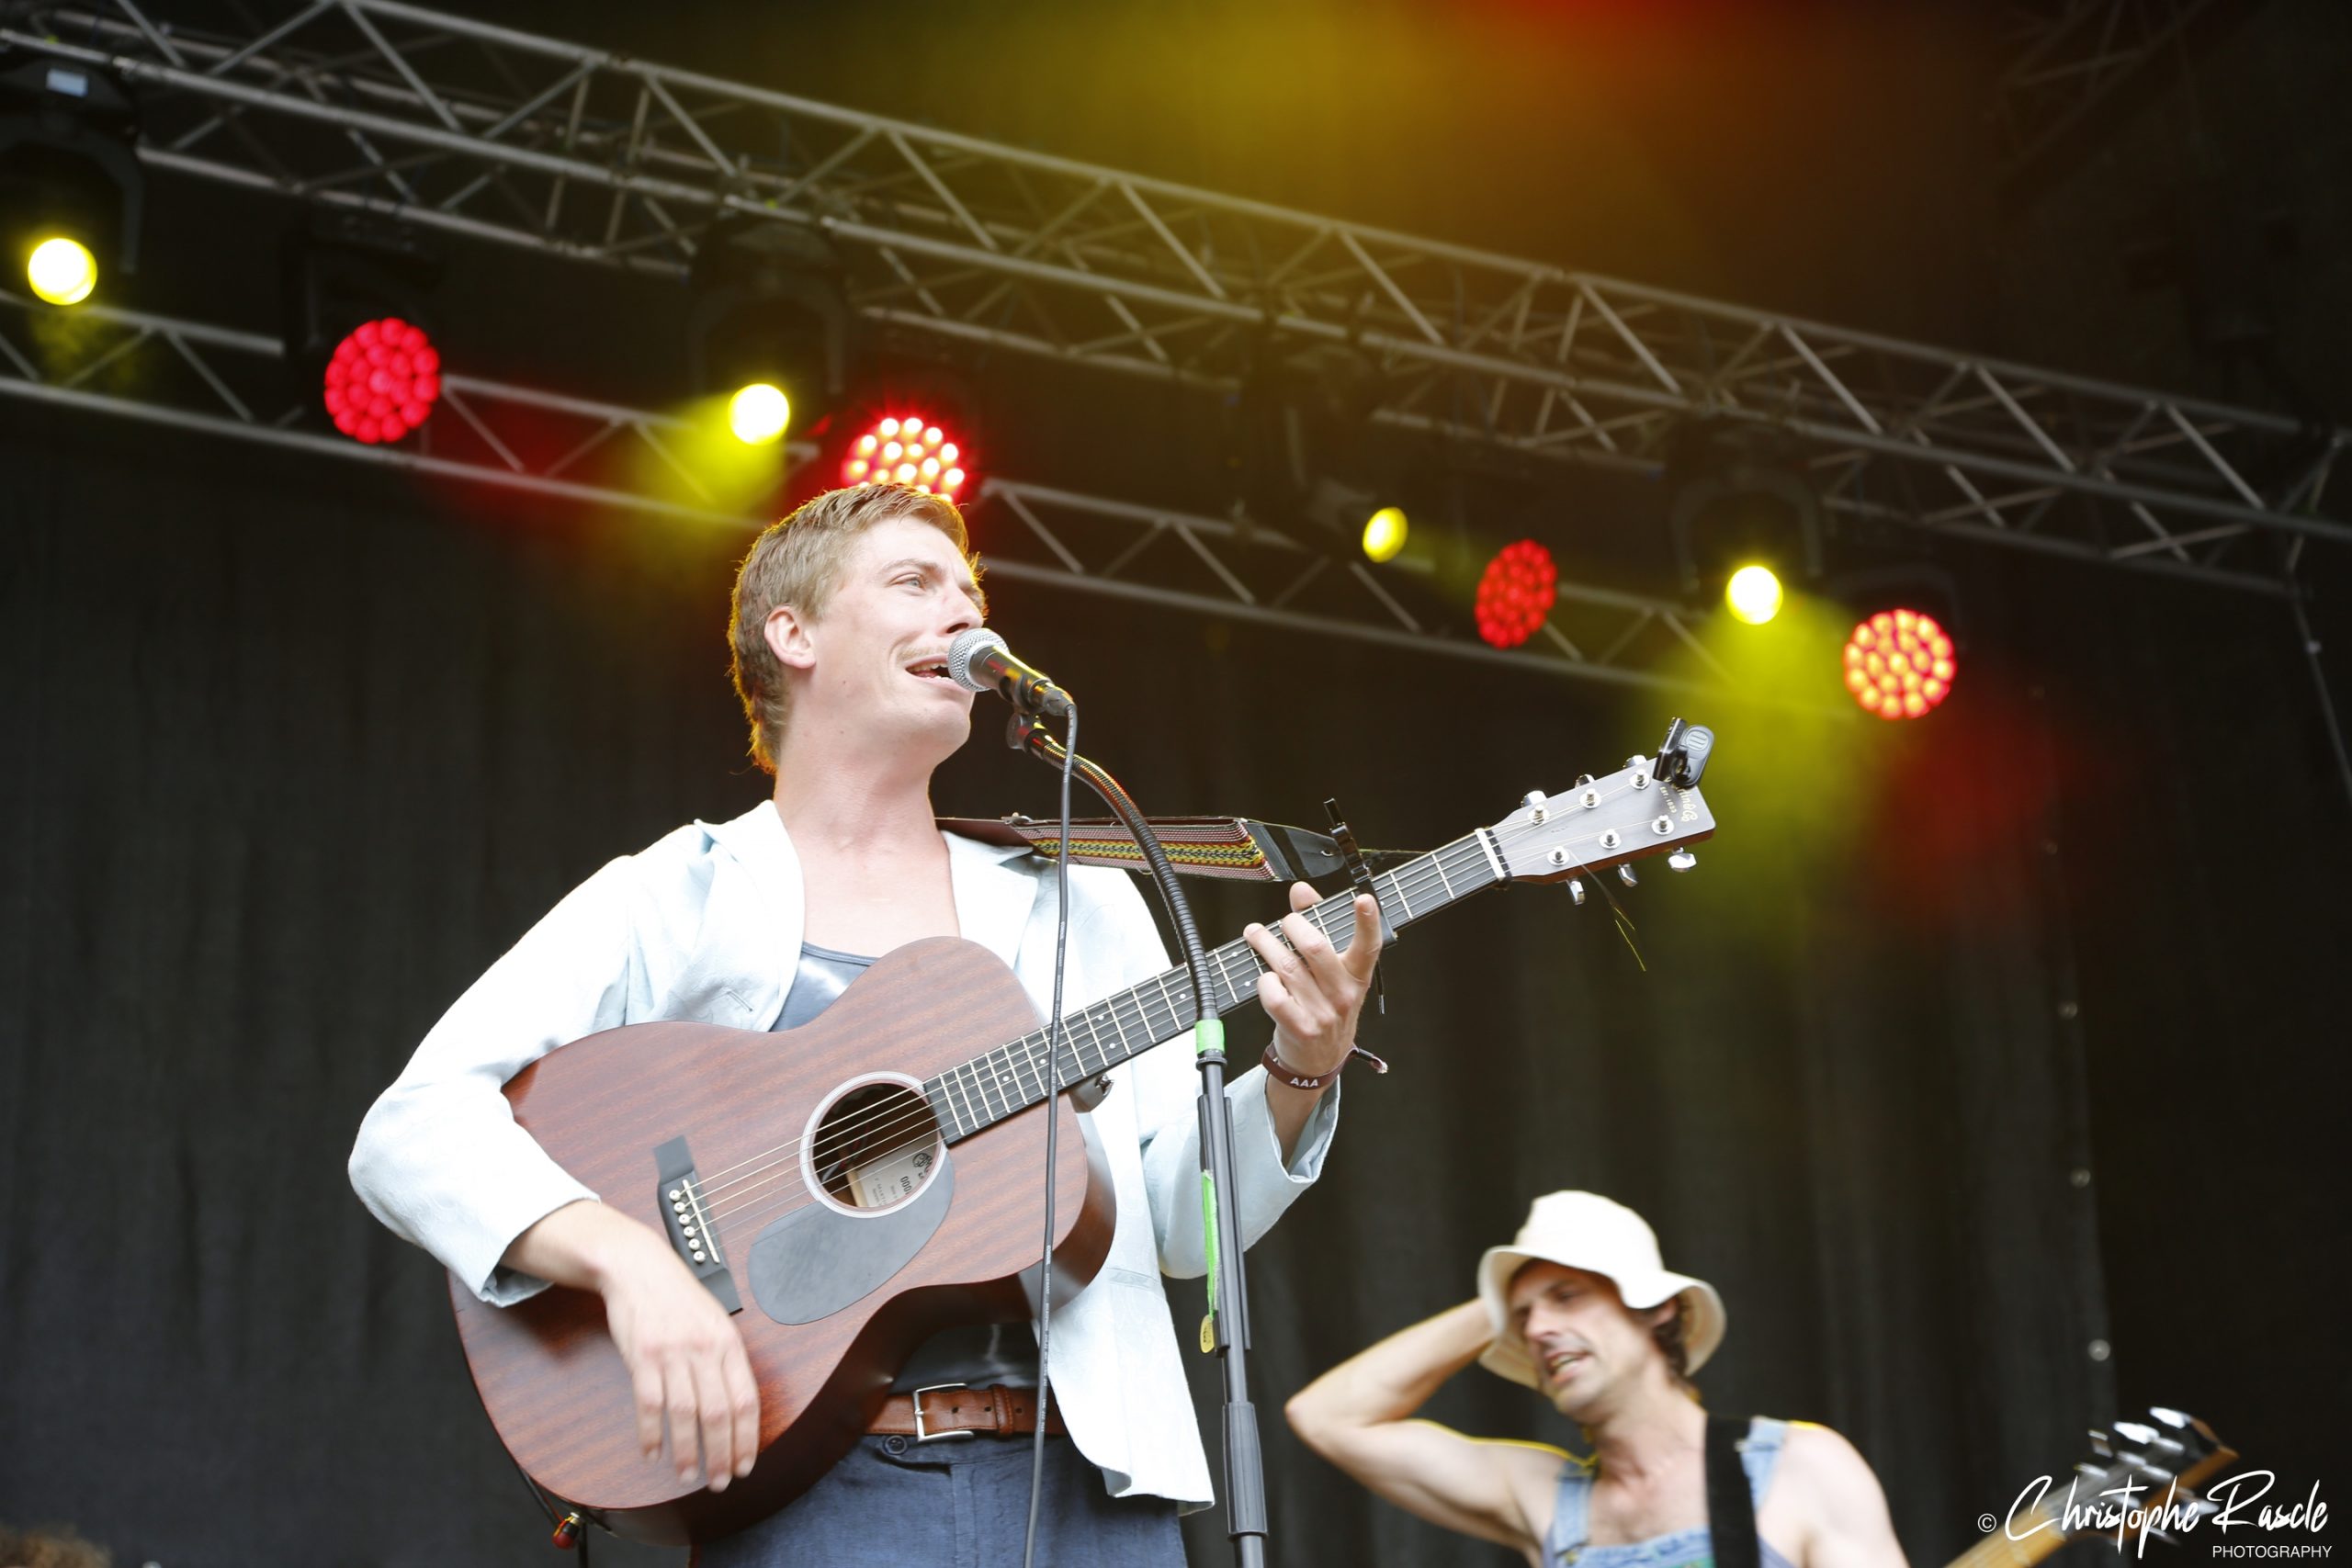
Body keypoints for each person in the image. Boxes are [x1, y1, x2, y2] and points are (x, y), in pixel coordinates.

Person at [348, 482, 1384, 1563]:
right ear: (791, 635)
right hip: (808, 1495)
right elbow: (412, 1129)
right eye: (913, 583)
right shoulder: (679, 892)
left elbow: (1175, 1227)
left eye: (971, 595)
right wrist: (626, 1261)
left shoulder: (1082, 895)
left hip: (1089, 1492)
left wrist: (1299, 1069)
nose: (964, 614)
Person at [1285, 1191, 1907, 1568]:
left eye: (1568, 1295)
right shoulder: (1542, 1497)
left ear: (1657, 1306)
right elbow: (1326, 1417)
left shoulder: (1800, 1466)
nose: (1537, 1329)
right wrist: (1497, 1302)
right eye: (1523, 1318)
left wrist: (1523, 1293)